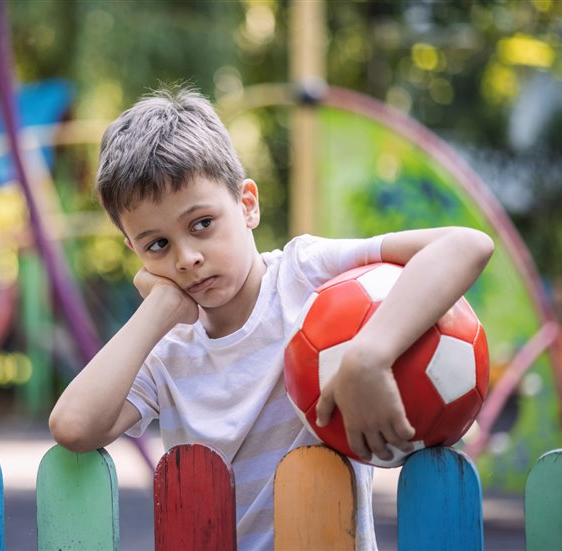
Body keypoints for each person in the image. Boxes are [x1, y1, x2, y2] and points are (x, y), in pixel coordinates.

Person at [49, 86, 494, 549]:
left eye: (202, 223)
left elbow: (466, 246)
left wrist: (369, 355)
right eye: (157, 244)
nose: (187, 258)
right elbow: (74, 427)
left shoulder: (303, 275)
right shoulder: (169, 349)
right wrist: (159, 306)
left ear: (247, 205)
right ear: (136, 252)